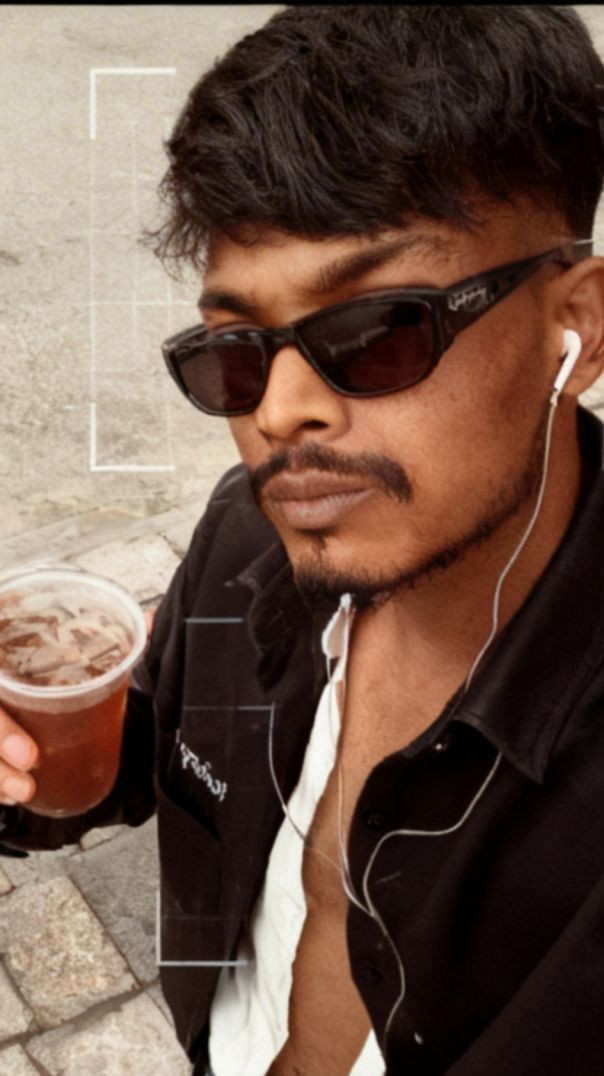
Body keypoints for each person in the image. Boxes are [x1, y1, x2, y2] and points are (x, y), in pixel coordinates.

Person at [2, 5, 604, 1073]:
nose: (279, 412)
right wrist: (40, 764)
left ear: (578, 324)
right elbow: (155, 750)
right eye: (236, 350)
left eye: (377, 330)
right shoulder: (247, 541)